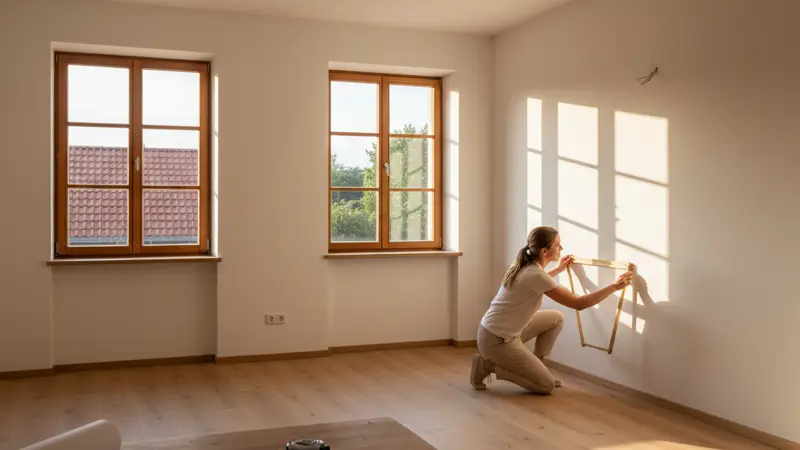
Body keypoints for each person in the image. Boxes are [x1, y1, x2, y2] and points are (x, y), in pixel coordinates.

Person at [470, 226, 632, 394]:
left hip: (503, 330)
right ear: (544, 251)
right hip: (495, 340)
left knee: (556, 318)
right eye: (557, 244)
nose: (561, 248)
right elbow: (579, 304)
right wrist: (614, 287)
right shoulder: (534, 274)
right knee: (544, 386)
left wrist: (559, 269)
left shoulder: (528, 266)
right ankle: (486, 365)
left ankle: (538, 367)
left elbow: (539, 281)